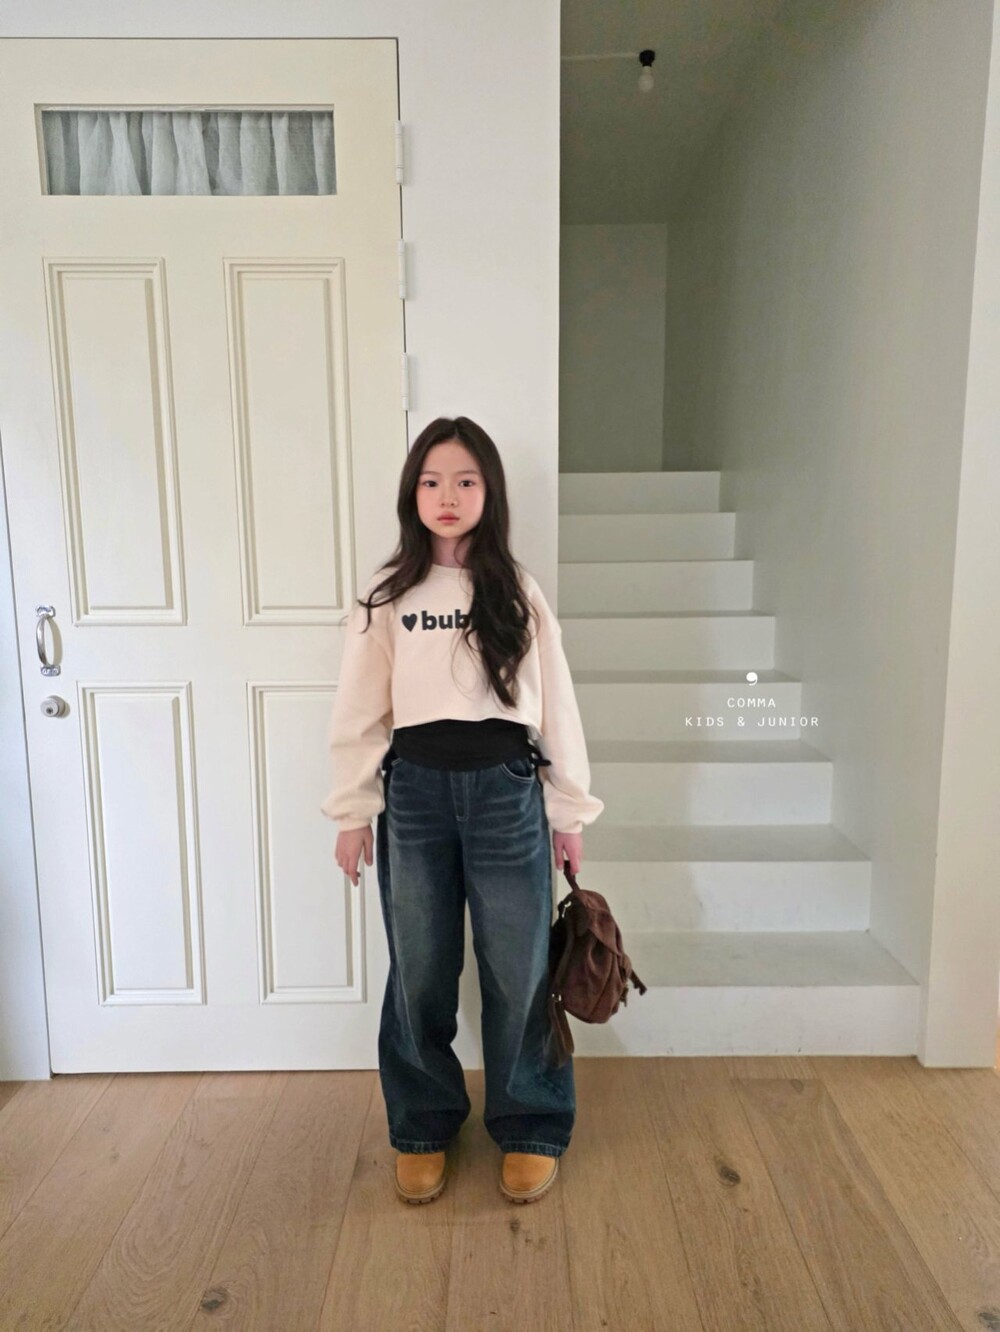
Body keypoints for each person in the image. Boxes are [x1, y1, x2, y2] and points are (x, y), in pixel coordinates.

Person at [320, 415, 604, 1206]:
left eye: (466, 481)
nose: (448, 496)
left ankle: (531, 1123)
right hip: (413, 797)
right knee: (420, 967)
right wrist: (352, 811)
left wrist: (568, 812)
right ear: (413, 494)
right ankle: (423, 1124)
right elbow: (359, 711)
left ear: (489, 493)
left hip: (507, 791)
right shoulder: (386, 595)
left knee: (519, 969)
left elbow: (558, 707)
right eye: (432, 481)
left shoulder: (517, 591)